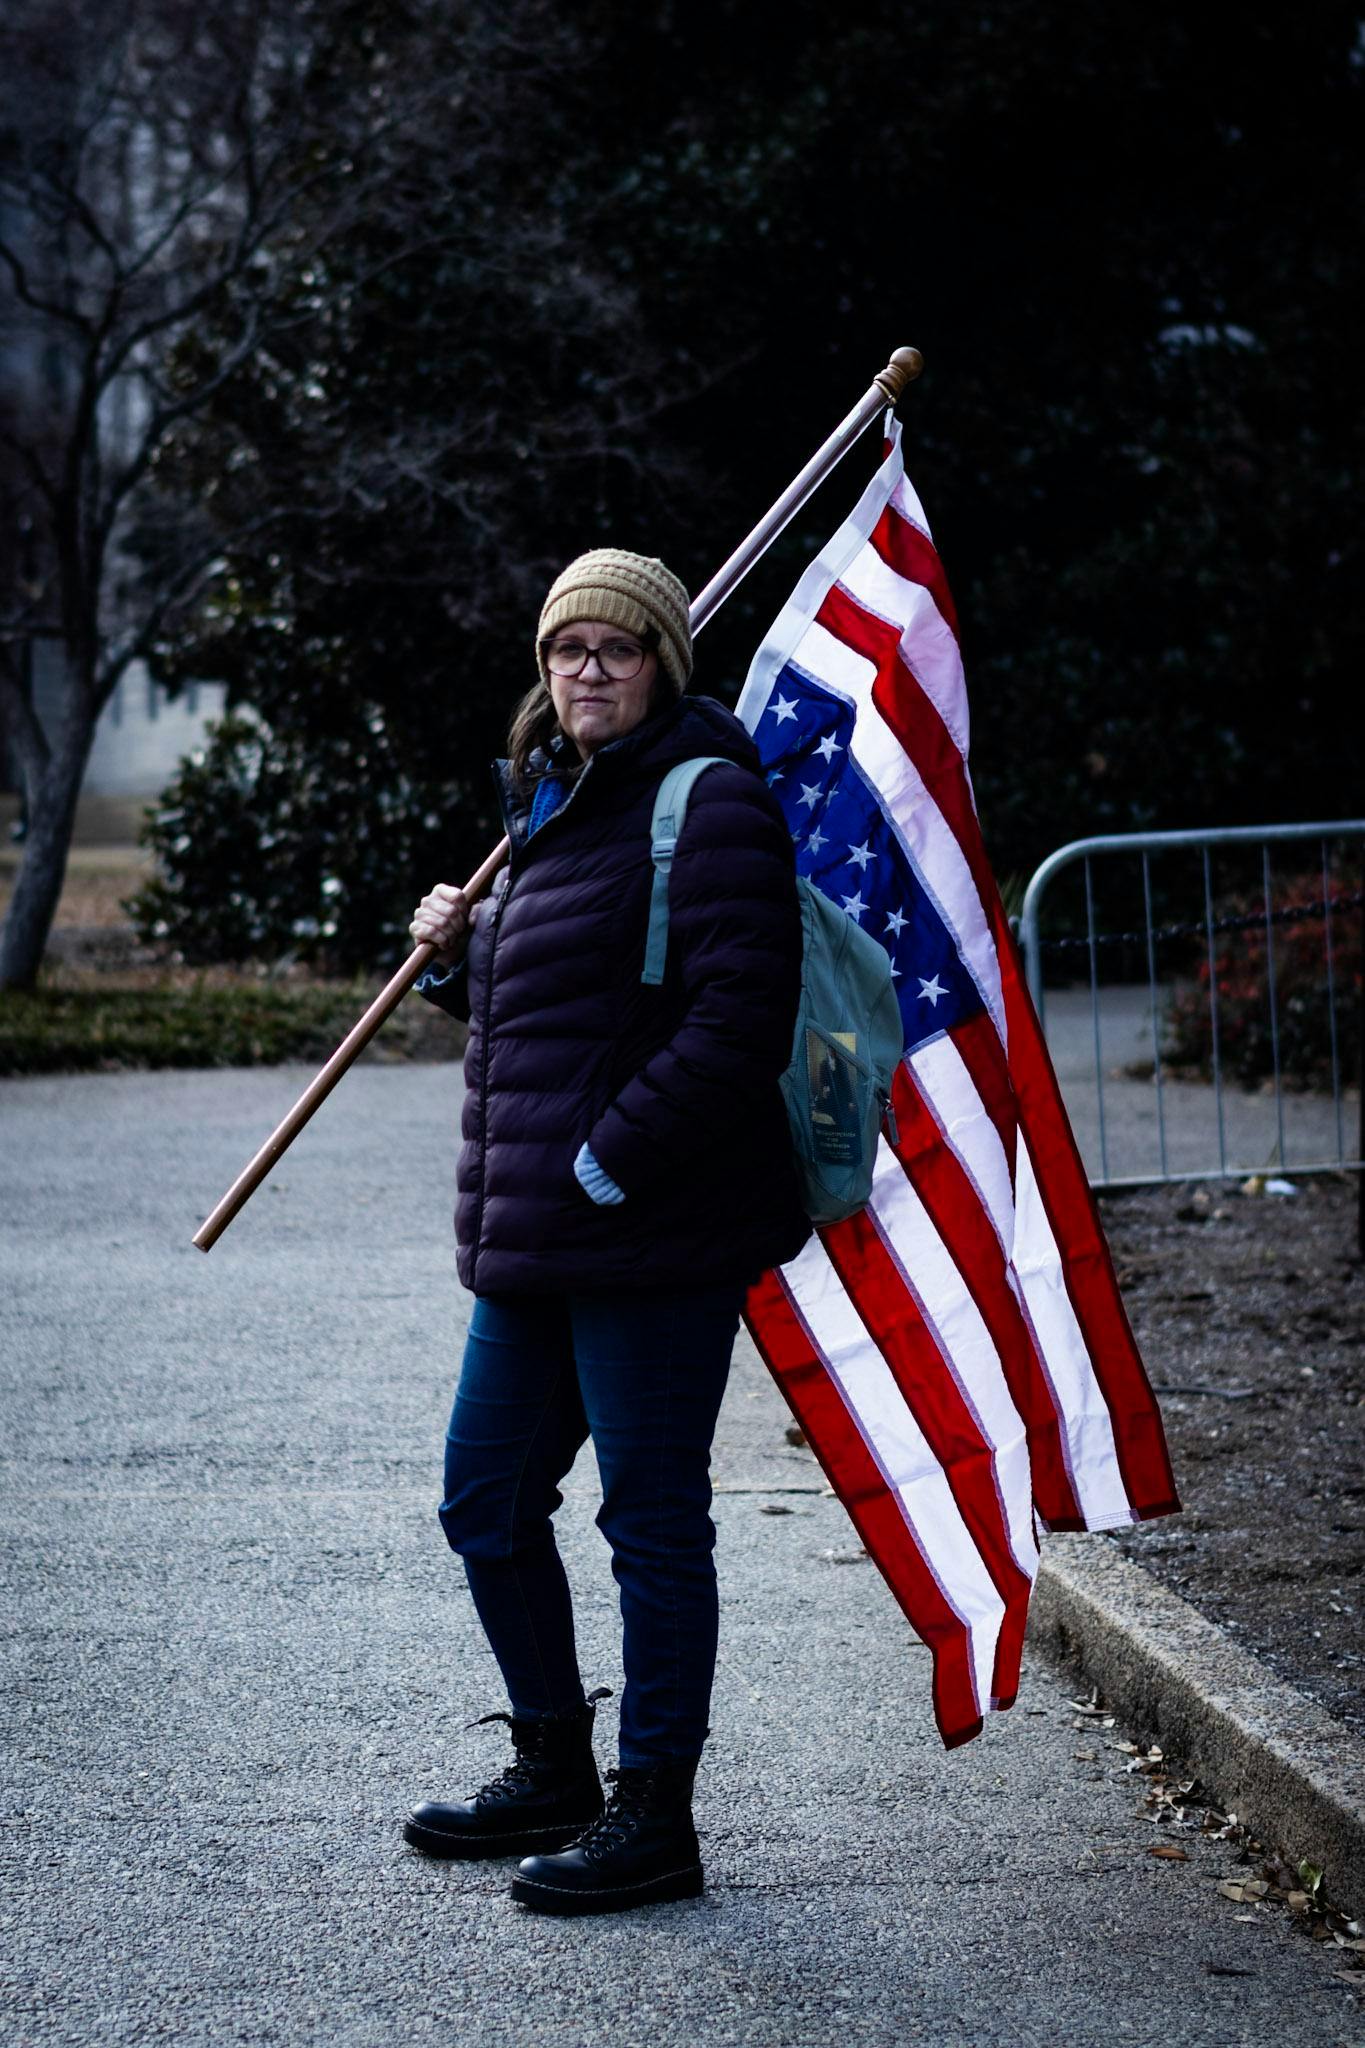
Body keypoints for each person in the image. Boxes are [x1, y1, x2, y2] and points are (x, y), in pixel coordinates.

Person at [403, 548, 811, 1916]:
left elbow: (735, 1023)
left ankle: (655, 1818)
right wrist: (463, 956)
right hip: (535, 1240)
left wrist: (602, 1161)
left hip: (648, 1235)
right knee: (485, 1501)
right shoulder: (550, 806)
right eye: (565, 649)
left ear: (659, 667)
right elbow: (554, 1025)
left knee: (651, 1525)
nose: (584, 671)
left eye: (615, 649)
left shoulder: (710, 803)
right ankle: (553, 1766)